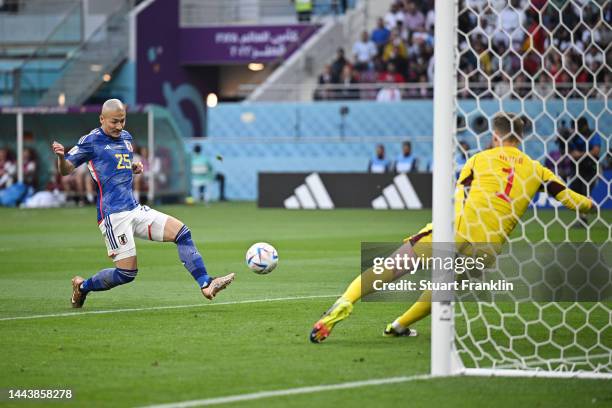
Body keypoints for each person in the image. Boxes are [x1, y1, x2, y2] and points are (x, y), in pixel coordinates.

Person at [310, 112, 593, 343]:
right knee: (442, 288)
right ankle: (398, 326)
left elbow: (459, 196)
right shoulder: (536, 169)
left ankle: (345, 302)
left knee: (393, 267)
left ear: (495, 136)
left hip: (455, 231)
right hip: (488, 248)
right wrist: (591, 206)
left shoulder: (479, 159)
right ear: (521, 137)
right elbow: (572, 200)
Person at [51, 99, 234, 308]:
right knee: (127, 273)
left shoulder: (126, 137)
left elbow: (114, 164)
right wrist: (60, 157)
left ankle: (206, 284)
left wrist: (132, 167)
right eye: (114, 122)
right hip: (113, 215)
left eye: (122, 121)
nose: (119, 126)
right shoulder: (90, 141)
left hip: (134, 208)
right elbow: (66, 169)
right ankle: (82, 287)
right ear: (101, 119)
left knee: (182, 233)